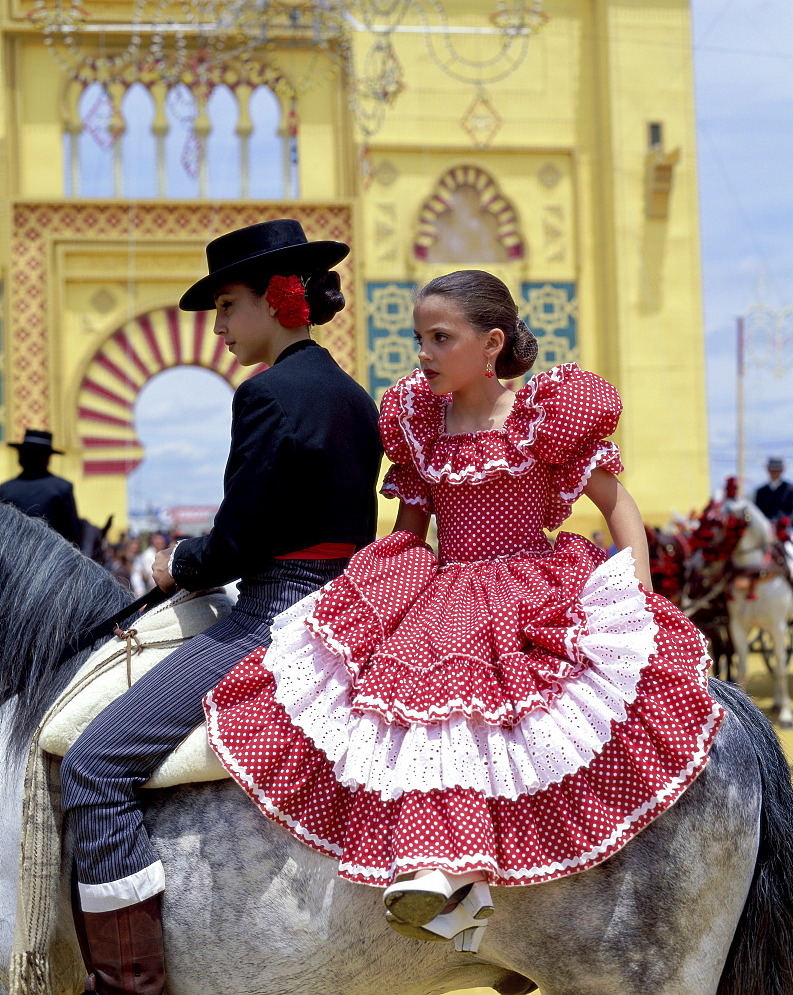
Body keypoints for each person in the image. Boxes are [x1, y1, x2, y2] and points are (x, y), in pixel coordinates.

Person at [203, 269, 724, 954]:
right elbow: (408, 526)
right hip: (443, 588)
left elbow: (616, 505)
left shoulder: (545, 413)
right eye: (418, 337)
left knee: (519, 732)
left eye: (439, 337)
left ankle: (480, 874)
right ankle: (442, 873)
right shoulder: (418, 420)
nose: (422, 351)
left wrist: (636, 595)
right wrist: (376, 594)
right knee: (422, 720)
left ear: (491, 343)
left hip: (532, 586)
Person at [60, 220, 383, 995]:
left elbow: (240, 542)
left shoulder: (267, 393)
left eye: (228, 306)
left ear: (274, 301)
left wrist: (182, 563)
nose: (220, 326)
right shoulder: (352, 394)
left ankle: (130, 985)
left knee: (93, 767)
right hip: (351, 606)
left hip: (276, 612)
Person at [0, 429, 81, 544]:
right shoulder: (61, 487)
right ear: (47, 459)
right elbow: (73, 534)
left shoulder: (5, 490)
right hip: (53, 557)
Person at [754, 456, 793, 521]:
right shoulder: (761, 491)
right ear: (768, 470)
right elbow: (758, 512)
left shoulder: (790, 489)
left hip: (785, 527)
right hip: (766, 526)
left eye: (777, 470)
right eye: (772, 469)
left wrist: (786, 522)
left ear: (781, 470)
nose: (774, 472)